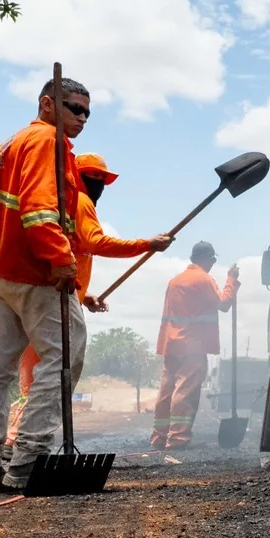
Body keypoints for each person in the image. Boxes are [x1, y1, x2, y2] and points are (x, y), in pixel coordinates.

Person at [0, 78, 90, 493]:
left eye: (87, 111)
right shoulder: (46, 142)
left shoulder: (8, 146)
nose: (82, 118)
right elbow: (38, 211)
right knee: (66, 354)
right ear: (47, 104)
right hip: (33, 271)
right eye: (73, 108)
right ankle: (29, 459)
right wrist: (62, 261)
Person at [15, 152, 172, 397]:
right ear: (76, 176)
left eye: (101, 177)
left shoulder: (62, 203)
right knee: (60, 362)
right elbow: (96, 243)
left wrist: (83, 295)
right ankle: (27, 430)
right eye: (92, 175)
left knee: (37, 363)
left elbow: (69, 251)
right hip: (56, 300)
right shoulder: (81, 201)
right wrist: (146, 244)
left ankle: (22, 429)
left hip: (52, 293)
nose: (98, 182)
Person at [151, 241, 240, 449]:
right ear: (208, 259)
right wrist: (232, 279)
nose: (212, 264)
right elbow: (224, 303)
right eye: (212, 260)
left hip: (171, 343)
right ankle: (177, 438)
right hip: (192, 345)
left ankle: (159, 437)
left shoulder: (175, 281)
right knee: (185, 391)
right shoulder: (202, 279)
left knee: (166, 390)